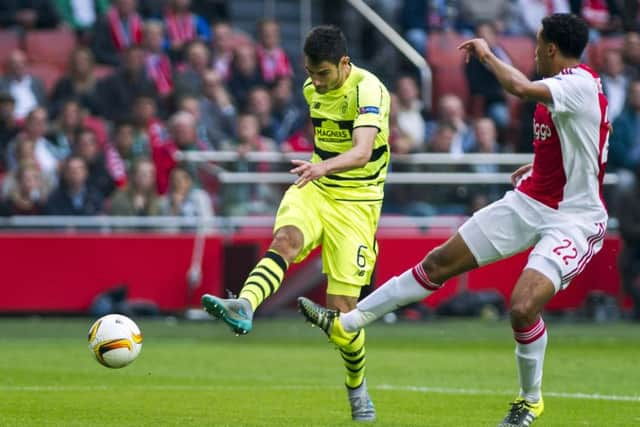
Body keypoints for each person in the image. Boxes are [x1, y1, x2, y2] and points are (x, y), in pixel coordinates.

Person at [298, 14, 609, 427]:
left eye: (537, 44)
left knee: (521, 306)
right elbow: (582, 143)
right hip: (531, 200)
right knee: (438, 263)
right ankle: (346, 323)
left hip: (574, 219)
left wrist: (486, 53)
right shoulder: (568, 90)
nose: (533, 51)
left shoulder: (578, 84)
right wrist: (533, 166)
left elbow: (517, 88)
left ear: (550, 48)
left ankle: (530, 401)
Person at [200, 25, 391, 422]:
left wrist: (321, 166)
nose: (315, 83)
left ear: (343, 64)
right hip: (316, 189)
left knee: (343, 317)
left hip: (358, 204)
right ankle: (244, 306)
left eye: (322, 73)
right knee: (286, 239)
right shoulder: (311, 90)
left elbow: (361, 151)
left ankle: (357, 387)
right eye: (310, 73)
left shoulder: (367, 90)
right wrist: (319, 170)